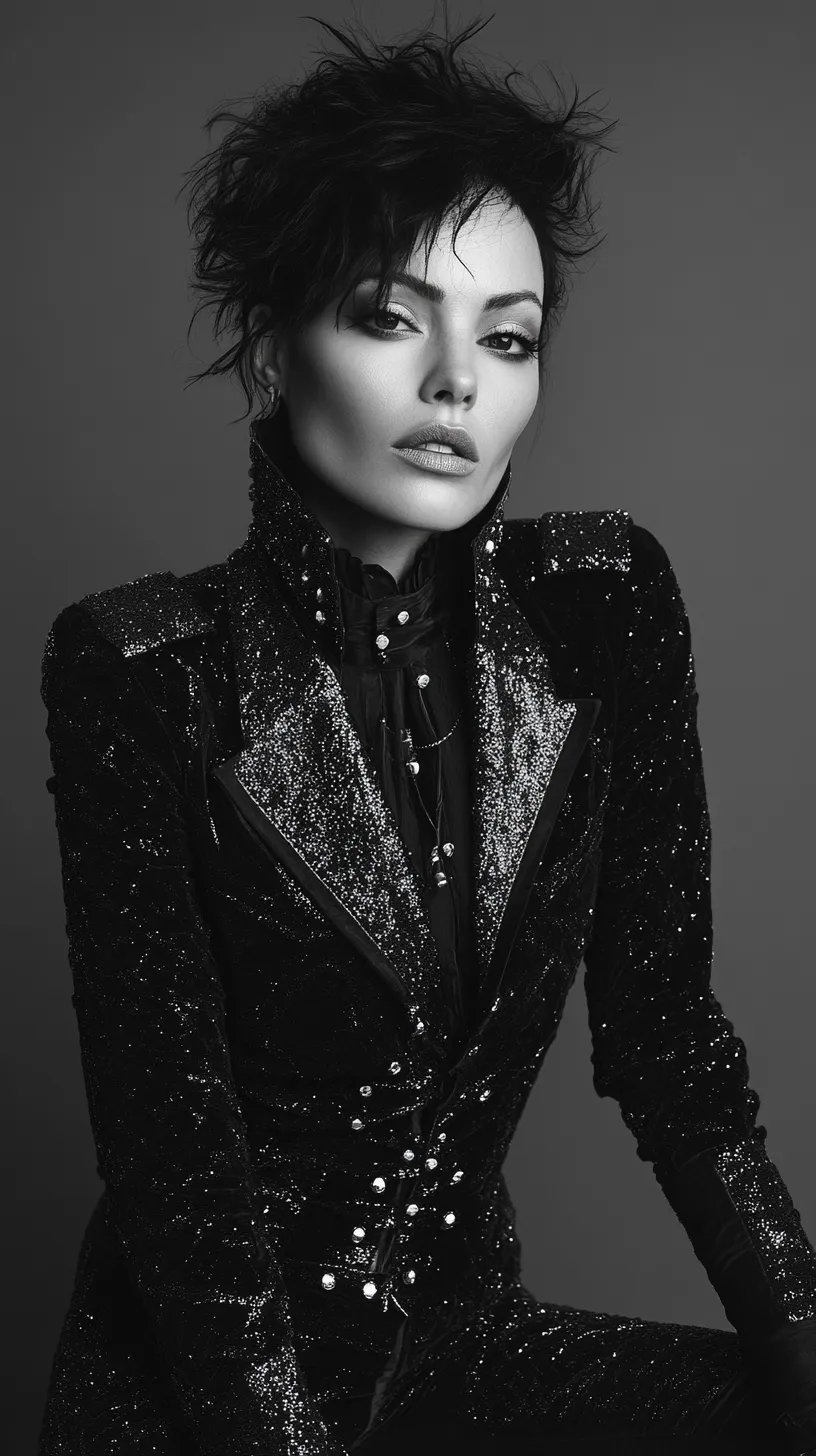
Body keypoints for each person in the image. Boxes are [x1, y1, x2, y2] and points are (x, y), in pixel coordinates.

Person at [37, 11, 816, 1455]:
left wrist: (802, 1340)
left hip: (460, 1354)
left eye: (506, 337)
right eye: (392, 318)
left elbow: (666, 1041)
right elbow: (175, 1167)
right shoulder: (147, 670)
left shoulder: (601, 608)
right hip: (206, 1399)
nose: (459, 381)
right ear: (273, 345)